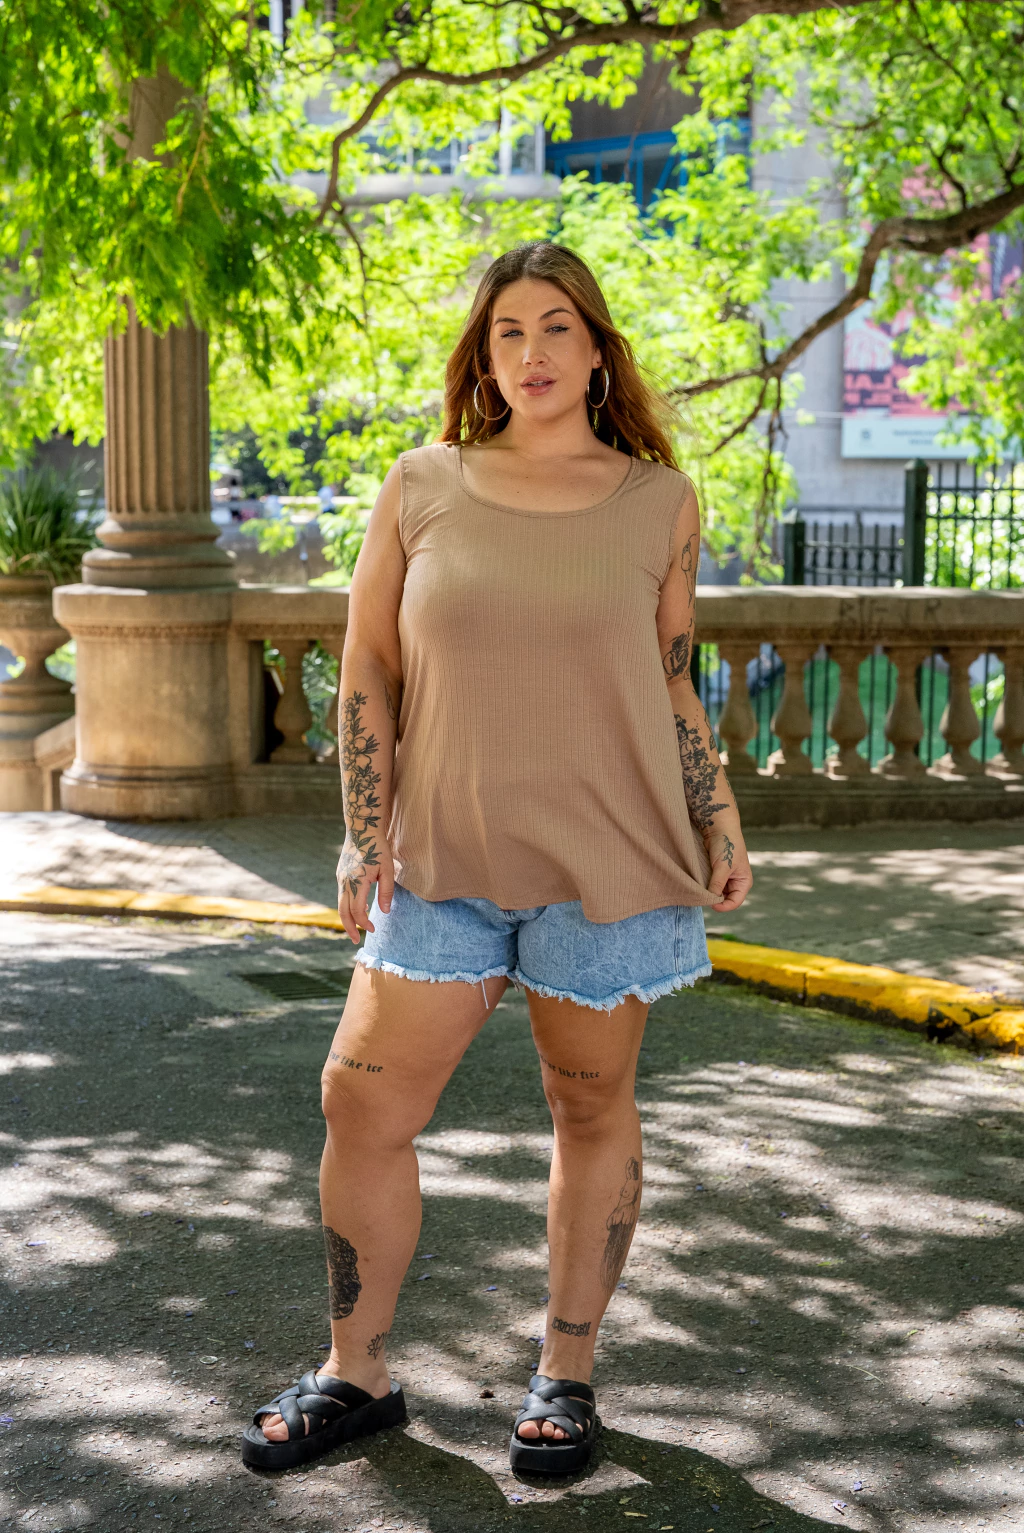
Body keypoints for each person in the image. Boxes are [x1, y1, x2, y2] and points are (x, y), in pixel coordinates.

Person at [241, 241, 753, 1477]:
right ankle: (355, 1374)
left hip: (613, 864)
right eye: (508, 331)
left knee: (588, 1108)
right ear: (482, 358)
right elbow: (367, 663)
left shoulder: (659, 501)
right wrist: (364, 827)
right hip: (440, 861)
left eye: (557, 326)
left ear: (597, 351)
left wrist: (721, 815)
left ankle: (564, 1379)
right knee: (361, 1100)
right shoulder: (422, 484)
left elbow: (671, 680)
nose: (533, 351)